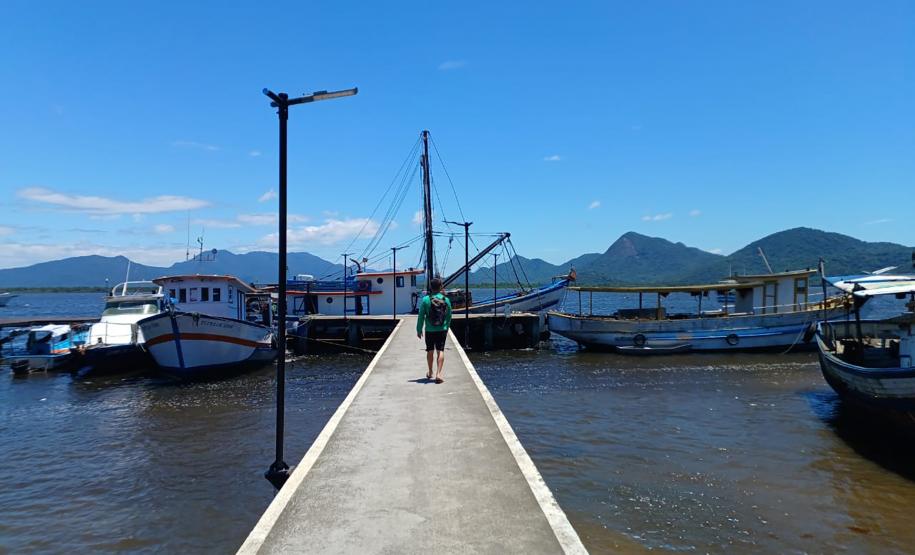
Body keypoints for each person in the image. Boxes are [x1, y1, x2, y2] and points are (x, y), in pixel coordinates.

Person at [416, 276, 452, 383]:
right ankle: (439, 374)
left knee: (430, 351)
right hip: (442, 329)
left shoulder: (426, 300)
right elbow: (449, 315)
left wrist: (419, 329)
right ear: (441, 287)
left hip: (430, 330)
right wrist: (447, 326)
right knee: (440, 351)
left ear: (431, 287)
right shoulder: (446, 300)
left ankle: (430, 371)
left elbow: (421, 315)